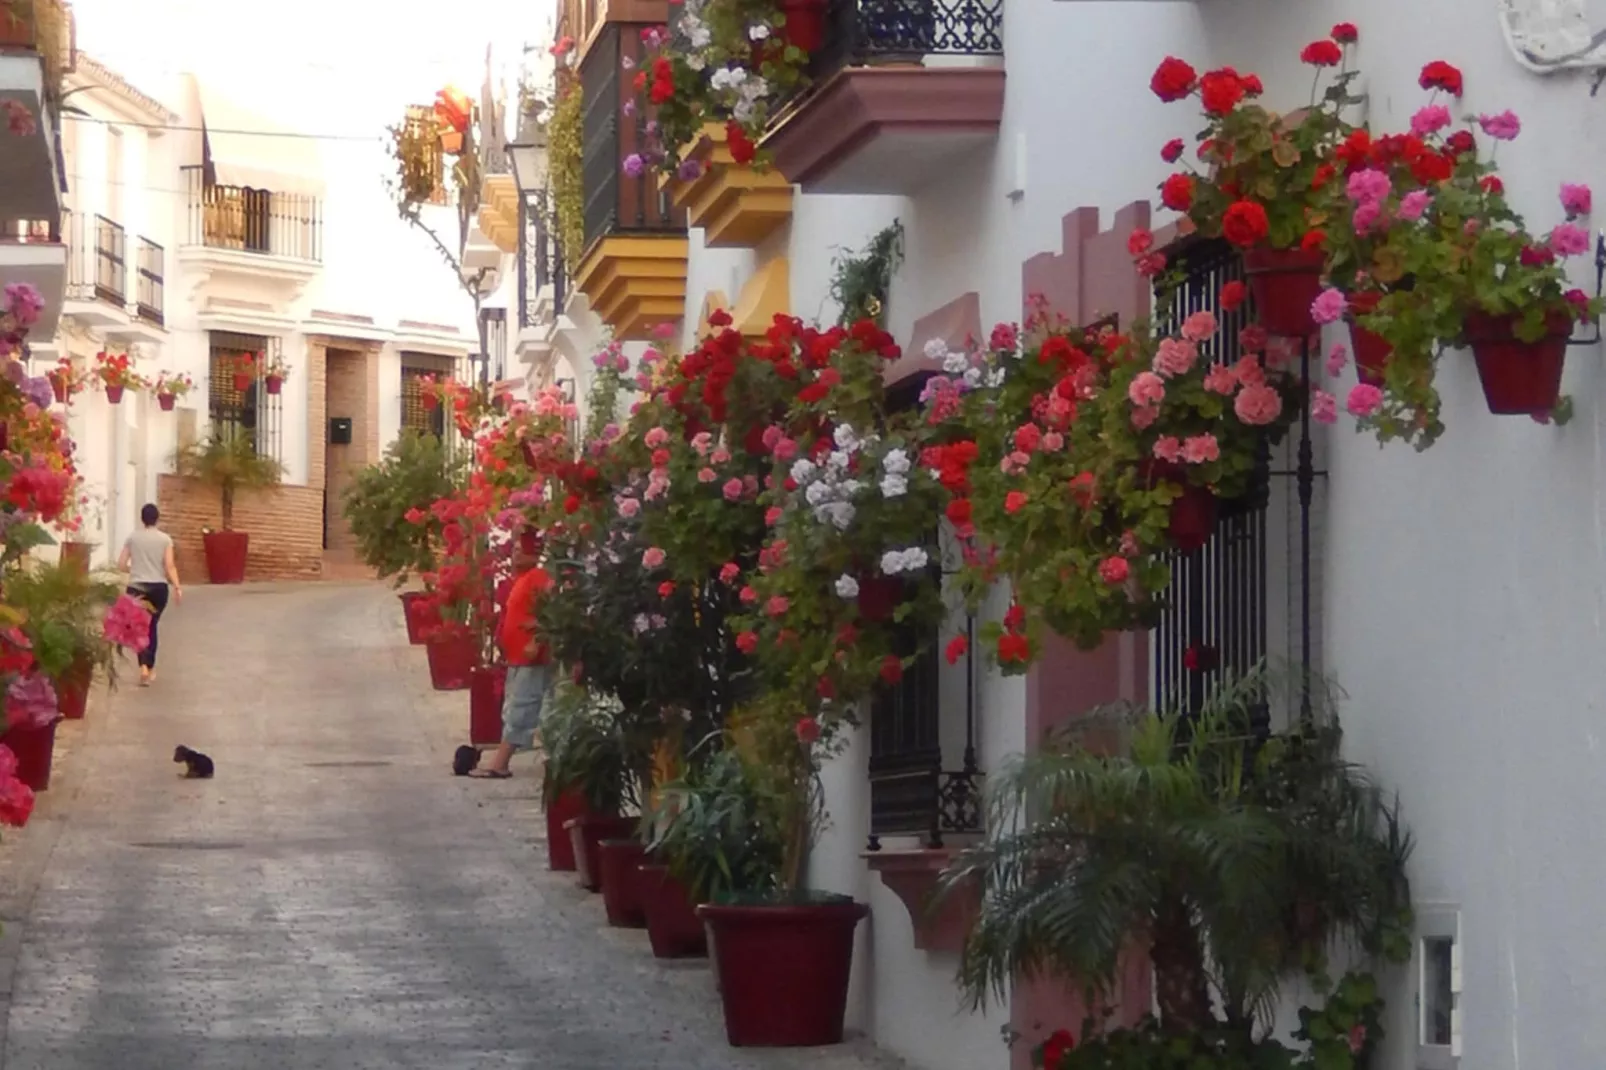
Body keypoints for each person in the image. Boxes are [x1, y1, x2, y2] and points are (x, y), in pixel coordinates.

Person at [471, 531, 551, 778]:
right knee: (518, 706)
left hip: (531, 657)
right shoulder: (525, 578)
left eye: (520, 550)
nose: (515, 554)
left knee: (521, 707)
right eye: (514, 549)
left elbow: (553, 612)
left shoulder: (538, 577)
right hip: (519, 657)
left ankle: (501, 763)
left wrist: (537, 640)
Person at [117, 503, 182, 686]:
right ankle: (150, 667)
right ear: (157, 518)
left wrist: (134, 569)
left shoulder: (132, 538)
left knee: (139, 628)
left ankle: (143, 667)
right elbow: (169, 566)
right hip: (158, 589)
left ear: (142, 518)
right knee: (152, 626)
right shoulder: (165, 539)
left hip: (137, 587)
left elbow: (121, 564)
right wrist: (177, 586)